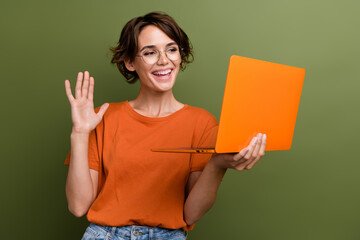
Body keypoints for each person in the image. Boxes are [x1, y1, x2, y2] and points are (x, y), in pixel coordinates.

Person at [64, 12, 266, 240]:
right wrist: (80, 133)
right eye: (149, 52)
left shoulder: (202, 123)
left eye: (171, 49)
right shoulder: (104, 117)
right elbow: (78, 206)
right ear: (130, 62)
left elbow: (191, 214)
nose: (164, 60)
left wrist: (217, 165)